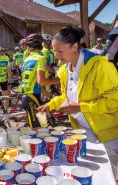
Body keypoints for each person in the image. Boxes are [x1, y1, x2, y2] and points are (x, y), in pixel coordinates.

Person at [37, 26, 118, 154]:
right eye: (54, 51)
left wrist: (81, 107)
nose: (57, 56)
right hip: (81, 131)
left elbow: (114, 102)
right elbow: (66, 96)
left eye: (60, 51)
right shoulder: (64, 70)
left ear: (75, 47)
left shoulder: (100, 66)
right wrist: (50, 105)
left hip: (107, 136)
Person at [19, 34, 59, 128]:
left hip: (28, 96)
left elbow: (33, 82)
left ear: (29, 48)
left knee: (39, 127)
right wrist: (58, 80)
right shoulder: (41, 58)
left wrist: (49, 94)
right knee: (37, 130)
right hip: (32, 97)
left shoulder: (26, 60)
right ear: (41, 45)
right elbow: (41, 81)